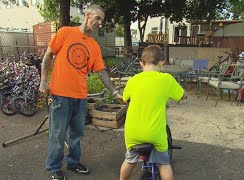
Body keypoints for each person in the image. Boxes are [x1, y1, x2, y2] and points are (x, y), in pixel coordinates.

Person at [39, 4, 122, 180]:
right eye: (97, 18)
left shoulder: (93, 46)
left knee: (76, 134)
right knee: (58, 134)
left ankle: (73, 162)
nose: (99, 23)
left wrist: (114, 92)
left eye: (102, 20)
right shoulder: (65, 33)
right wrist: (43, 81)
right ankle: (53, 167)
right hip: (60, 95)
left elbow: (102, 72)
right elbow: (47, 56)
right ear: (87, 15)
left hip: (80, 97)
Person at [120, 45, 187, 180]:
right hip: (155, 133)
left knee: (129, 160)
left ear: (141, 63)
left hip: (133, 133)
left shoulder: (132, 80)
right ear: (161, 63)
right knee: (164, 164)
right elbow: (182, 95)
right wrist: (182, 95)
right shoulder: (166, 79)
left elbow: (124, 98)